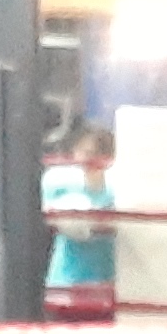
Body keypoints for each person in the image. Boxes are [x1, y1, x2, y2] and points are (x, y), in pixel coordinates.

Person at [41, 126, 117, 302]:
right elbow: (55, 218)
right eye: (83, 152)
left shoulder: (118, 189)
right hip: (66, 281)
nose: (86, 159)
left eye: (94, 153)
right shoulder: (59, 183)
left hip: (107, 281)